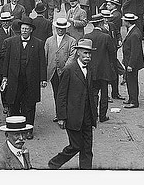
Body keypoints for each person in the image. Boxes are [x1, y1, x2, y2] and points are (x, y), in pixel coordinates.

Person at [48, 39, 97, 170]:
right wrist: (61, 117)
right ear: (78, 53)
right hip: (73, 116)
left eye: (90, 54)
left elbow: (91, 93)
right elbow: (61, 95)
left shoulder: (90, 69)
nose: (88, 57)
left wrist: (94, 115)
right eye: (85, 53)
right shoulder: (69, 70)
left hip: (87, 116)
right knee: (76, 146)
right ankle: (53, 164)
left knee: (87, 148)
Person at [1, 17, 47, 138]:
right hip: (14, 79)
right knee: (14, 104)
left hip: (31, 80)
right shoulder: (11, 42)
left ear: (31, 30)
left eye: (27, 29)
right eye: (23, 29)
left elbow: (42, 62)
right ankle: (14, 129)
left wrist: (43, 79)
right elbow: (6, 61)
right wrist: (5, 77)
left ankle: (28, 130)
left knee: (30, 105)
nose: (24, 31)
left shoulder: (38, 43)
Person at [85, 14, 117, 122]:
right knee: (104, 94)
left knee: (93, 93)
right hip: (104, 70)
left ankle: (93, 115)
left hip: (91, 70)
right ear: (101, 23)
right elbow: (112, 53)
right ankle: (103, 116)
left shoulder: (87, 37)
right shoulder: (106, 37)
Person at [44, 18, 77, 121]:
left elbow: (73, 56)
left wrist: (66, 68)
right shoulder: (49, 40)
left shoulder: (71, 40)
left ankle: (66, 114)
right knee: (56, 93)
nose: (60, 30)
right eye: (59, 28)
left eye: (63, 28)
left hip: (65, 72)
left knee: (65, 93)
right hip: (53, 71)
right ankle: (58, 114)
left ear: (66, 29)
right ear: (56, 28)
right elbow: (45, 55)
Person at [0, 12, 14, 113]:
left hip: (13, 64)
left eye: (7, 21)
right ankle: (5, 104)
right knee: (3, 84)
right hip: (2, 65)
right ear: (1, 22)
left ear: (10, 22)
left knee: (12, 84)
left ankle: (12, 103)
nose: (5, 23)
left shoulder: (14, 32)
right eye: (3, 22)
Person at [121, 13, 144, 109]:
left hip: (132, 63)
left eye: (125, 21)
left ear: (128, 22)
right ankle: (131, 99)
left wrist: (131, 65)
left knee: (132, 82)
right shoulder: (133, 30)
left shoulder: (134, 34)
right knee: (130, 81)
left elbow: (135, 51)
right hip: (129, 61)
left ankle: (134, 101)